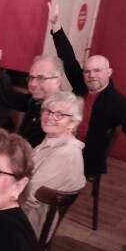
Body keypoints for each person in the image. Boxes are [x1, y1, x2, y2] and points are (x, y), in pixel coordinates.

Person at [48, 1, 126, 176]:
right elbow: (68, 58)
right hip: (61, 142)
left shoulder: (117, 102)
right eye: (87, 71)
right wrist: (56, 26)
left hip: (84, 156)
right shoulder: (81, 83)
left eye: (97, 71)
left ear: (109, 72)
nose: (91, 76)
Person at [21, 91, 86, 238]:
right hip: (25, 212)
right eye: (47, 111)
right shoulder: (51, 141)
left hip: (29, 225)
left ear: (73, 123)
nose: (50, 117)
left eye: (59, 114)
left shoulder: (65, 155)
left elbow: (29, 198)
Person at [0, 37, 63, 147]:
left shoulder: (61, 112)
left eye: (40, 78)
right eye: (31, 77)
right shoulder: (34, 101)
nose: (33, 84)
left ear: (57, 82)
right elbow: (4, 98)